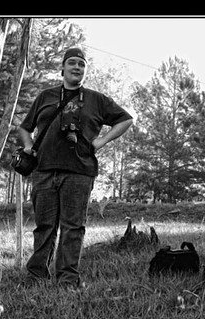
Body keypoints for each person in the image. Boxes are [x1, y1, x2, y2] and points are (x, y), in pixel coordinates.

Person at [17, 47, 133, 288]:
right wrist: (28, 147)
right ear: (62, 68)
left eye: (81, 64)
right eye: (72, 63)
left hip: (80, 172)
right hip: (44, 170)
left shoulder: (96, 100)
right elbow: (24, 127)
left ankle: (68, 280)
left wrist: (100, 141)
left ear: (85, 71)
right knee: (44, 227)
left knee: (73, 227)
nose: (76, 67)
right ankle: (36, 276)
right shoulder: (45, 96)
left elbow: (126, 119)